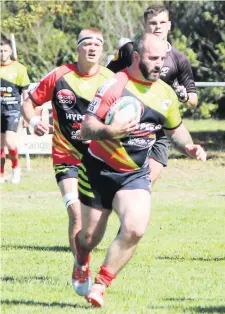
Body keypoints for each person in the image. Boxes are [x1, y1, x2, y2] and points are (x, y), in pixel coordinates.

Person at [73, 33, 207, 307]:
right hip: (98, 170)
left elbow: (175, 130)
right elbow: (86, 127)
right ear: (136, 57)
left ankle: (101, 284)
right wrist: (110, 130)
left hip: (133, 173)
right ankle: (81, 259)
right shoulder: (114, 85)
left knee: (135, 229)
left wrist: (190, 146)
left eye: (162, 59)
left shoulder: (165, 92)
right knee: (89, 238)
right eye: (153, 58)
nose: (160, 65)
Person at [21, 28, 113, 291]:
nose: (93, 48)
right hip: (67, 155)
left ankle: (84, 257)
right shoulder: (60, 76)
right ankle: (81, 267)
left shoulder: (111, 80)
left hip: (98, 157)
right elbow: (29, 103)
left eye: (98, 43)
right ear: (78, 49)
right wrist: (35, 120)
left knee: (96, 217)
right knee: (76, 213)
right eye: (87, 44)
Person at [107, 4, 198, 184]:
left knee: (144, 185)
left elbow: (193, 101)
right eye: (153, 23)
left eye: (162, 22)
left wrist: (184, 96)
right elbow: (105, 79)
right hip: (129, 123)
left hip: (160, 128)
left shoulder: (179, 59)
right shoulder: (129, 50)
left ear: (169, 25)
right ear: (145, 25)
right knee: (119, 183)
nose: (158, 27)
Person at [0, 37, 30, 184]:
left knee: (10, 142)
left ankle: (16, 169)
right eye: (0, 51)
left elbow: (25, 94)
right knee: (0, 145)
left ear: (10, 51)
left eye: (5, 50)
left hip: (12, 110)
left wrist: (26, 114)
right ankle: (1, 174)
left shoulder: (19, 69)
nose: (2, 54)